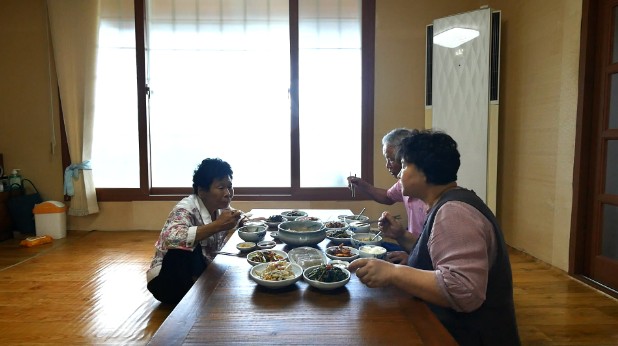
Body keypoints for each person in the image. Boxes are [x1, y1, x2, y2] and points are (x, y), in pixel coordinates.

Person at [348, 130, 520, 345]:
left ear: (424, 172)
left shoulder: (454, 213)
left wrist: (393, 273)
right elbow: (433, 252)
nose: (399, 174)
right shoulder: (449, 201)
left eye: (404, 166)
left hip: (469, 335)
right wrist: (401, 235)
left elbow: (463, 292)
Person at [146, 158, 244, 305]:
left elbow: (237, 217)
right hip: (166, 280)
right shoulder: (186, 208)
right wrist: (217, 225)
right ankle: (193, 302)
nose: (228, 193)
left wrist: (245, 220)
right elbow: (171, 238)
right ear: (202, 191)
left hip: (199, 271)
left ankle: (201, 293)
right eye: (221, 187)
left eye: (229, 186)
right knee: (183, 249)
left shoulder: (221, 207)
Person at [347, 128, 426, 264]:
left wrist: (413, 258)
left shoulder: (431, 198)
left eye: (391, 160)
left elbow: (436, 253)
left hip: (422, 255)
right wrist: (362, 185)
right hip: (411, 247)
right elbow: (388, 197)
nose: (387, 165)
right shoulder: (404, 184)